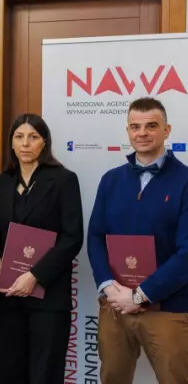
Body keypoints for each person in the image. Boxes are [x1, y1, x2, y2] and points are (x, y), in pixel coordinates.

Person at [87, 97, 188, 384]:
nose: (142, 133)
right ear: (128, 131)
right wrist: (108, 286)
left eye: (151, 126)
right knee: (112, 378)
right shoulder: (110, 180)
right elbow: (95, 237)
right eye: (135, 127)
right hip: (115, 306)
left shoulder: (185, 181)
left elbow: (186, 253)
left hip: (168, 309)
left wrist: (140, 295)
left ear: (167, 130)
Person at [0, 113, 83, 384]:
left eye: (33, 137)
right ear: (11, 142)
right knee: (9, 372)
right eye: (19, 137)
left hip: (48, 297)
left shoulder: (64, 180)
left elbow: (72, 237)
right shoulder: (3, 181)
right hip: (8, 297)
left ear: (44, 142)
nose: (25, 143)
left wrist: (35, 276)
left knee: (45, 374)